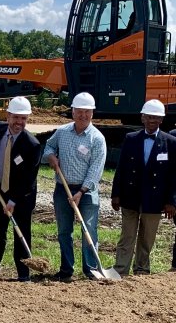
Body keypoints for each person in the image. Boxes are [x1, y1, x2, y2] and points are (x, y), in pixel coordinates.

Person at [43, 92, 106, 281]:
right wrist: (51, 157)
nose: (83, 115)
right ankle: (66, 270)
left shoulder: (97, 139)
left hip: (86, 193)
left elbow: (96, 170)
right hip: (63, 189)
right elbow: (48, 147)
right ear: (73, 112)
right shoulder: (62, 132)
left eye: (87, 112)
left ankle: (91, 269)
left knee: (88, 230)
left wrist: (81, 192)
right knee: (64, 231)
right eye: (79, 111)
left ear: (92, 114)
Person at [0, 97, 41, 282]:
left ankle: (23, 271)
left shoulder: (32, 145)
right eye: (16, 117)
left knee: (21, 230)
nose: (19, 123)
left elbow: (29, 179)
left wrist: (13, 201)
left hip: (22, 195)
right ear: (8, 116)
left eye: (24, 119)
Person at [112, 100, 176, 275]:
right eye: (148, 117)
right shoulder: (131, 139)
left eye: (155, 117)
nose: (151, 121)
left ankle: (142, 269)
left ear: (162, 120)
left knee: (147, 238)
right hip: (130, 196)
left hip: (155, 199)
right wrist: (116, 194)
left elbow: (173, 175)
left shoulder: (170, 142)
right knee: (127, 236)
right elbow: (121, 168)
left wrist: (171, 201)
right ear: (142, 118)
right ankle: (121, 270)